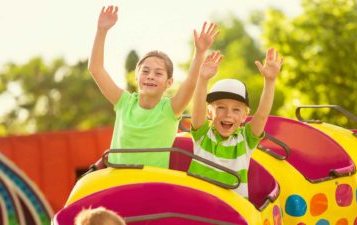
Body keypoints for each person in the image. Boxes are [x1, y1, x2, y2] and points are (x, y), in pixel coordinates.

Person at [88, 5, 218, 168]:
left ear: (168, 83)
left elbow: (190, 83)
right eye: (146, 71)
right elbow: (96, 69)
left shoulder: (170, 109)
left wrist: (199, 53)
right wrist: (101, 31)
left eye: (158, 73)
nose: (150, 76)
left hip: (152, 184)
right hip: (118, 183)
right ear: (137, 77)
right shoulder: (124, 103)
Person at [188, 48, 284, 198]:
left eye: (236, 110)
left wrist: (270, 81)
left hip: (233, 212)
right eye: (220, 107)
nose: (228, 114)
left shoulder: (245, 140)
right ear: (209, 113)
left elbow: (262, 114)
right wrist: (203, 78)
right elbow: (197, 107)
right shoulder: (203, 135)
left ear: (245, 116)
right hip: (200, 207)